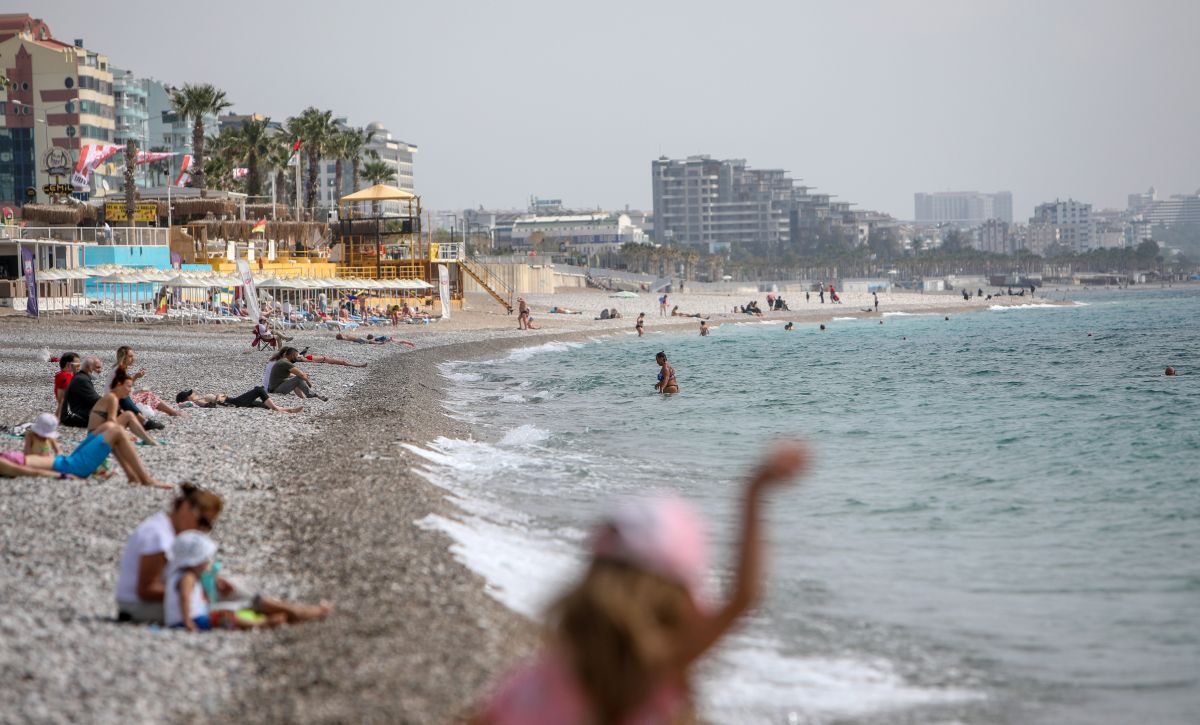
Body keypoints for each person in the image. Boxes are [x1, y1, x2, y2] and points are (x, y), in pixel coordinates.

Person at [473, 442, 809, 724]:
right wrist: (754, 490)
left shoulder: (537, 682)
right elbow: (744, 597)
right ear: (675, 597)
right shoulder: (661, 668)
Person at [116, 484, 333, 625]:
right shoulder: (157, 535)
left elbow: (175, 572)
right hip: (137, 608)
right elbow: (145, 590)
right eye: (202, 522)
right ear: (186, 508)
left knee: (231, 586)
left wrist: (208, 581)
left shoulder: (168, 529)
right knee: (222, 606)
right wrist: (197, 592)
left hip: (163, 597)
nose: (202, 530)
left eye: (207, 526)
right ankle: (279, 615)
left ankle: (289, 610)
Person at [14, 420, 167, 487]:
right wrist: (64, 476)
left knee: (109, 425)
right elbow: (30, 470)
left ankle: (133, 476)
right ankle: (145, 479)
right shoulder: (23, 460)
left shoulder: (18, 458)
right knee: (117, 431)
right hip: (74, 466)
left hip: (69, 461)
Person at [91, 368, 159, 445]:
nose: (130, 390)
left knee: (128, 416)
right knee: (128, 415)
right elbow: (111, 422)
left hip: (97, 434)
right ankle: (149, 439)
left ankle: (148, 439)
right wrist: (126, 436)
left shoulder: (113, 397)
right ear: (119, 385)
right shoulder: (112, 398)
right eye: (129, 387)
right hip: (97, 437)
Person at [176, 388, 303, 414]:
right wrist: (219, 398)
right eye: (190, 394)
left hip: (232, 402)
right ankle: (277, 408)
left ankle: (287, 410)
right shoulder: (197, 402)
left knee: (262, 405)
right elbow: (211, 405)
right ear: (187, 398)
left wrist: (219, 396)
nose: (193, 393)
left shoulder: (197, 400)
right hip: (234, 402)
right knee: (258, 390)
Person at [60, 355, 103, 428]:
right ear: (89, 368)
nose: (100, 370)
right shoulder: (82, 380)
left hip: (78, 411)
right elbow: (94, 399)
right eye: (98, 367)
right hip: (76, 416)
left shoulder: (81, 377)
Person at [53, 352, 80, 418]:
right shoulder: (66, 376)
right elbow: (62, 399)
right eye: (77, 365)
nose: (79, 367)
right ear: (68, 365)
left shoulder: (61, 374)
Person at [335, 332, 416, 347]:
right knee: (399, 342)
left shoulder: (374, 339)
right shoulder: (346, 338)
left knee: (399, 342)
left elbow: (371, 341)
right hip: (385, 339)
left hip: (385, 339)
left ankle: (409, 343)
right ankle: (410, 343)